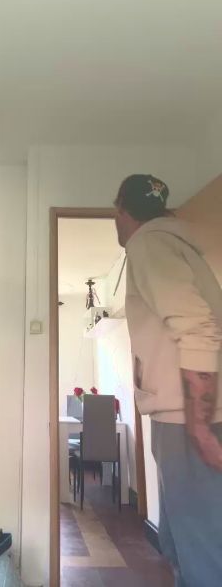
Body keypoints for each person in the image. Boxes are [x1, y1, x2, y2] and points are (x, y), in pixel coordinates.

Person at [114, 174, 222, 587]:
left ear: (121, 210)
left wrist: (199, 425)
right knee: (185, 543)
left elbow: (197, 329)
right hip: (188, 415)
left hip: (186, 418)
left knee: (201, 551)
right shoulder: (181, 247)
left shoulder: (149, 245)